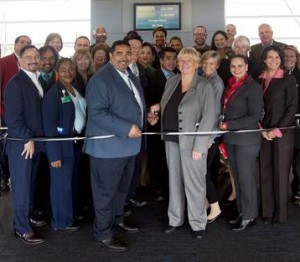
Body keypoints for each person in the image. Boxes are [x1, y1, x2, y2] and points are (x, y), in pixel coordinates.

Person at [83, 40, 145, 252]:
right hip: (107, 149)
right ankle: (103, 233)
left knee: (121, 189)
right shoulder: (100, 79)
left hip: (128, 146)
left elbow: (135, 107)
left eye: (128, 53)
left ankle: (117, 220)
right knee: (105, 193)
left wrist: (148, 119)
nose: (124, 57)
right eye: (119, 53)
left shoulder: (131, 76)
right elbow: (97, 113)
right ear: (110, 55)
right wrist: (127, 128)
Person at [149, 47, 215, 239]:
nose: (184, 63)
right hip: (171, 140)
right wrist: (156, 110)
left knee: (194, 183)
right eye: (181, 60)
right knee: (174, 181)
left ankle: (197, 223)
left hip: (193, 143)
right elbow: (166, 105)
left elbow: (208, 117)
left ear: (196, 64)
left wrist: (200, 146)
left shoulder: (204, 86)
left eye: (188, 60)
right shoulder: (171, 81)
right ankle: (175, 219)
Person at [4, 45, 45, 244]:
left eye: (36, 56)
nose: (33, 60)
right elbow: (13, 119)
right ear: (19, 59)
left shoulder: (38, 80)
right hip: (22, 145)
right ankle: (22, 229)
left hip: (35, 144)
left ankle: (25, 220)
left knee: (30, 186)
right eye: (28, 56)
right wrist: (27, 139)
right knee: (21, 188)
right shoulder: (15, 84)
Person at [219, 55, 263, 231]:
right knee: (237, 178)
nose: (236, 69)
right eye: (233, 66)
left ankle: (250, 215)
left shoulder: (253, 87)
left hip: (246, 140)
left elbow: (254, 116)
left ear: (246, 67)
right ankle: (242, 212)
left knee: (246, 178)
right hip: (231, 138)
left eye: (240, 66)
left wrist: (230, 124)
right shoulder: (230, 85)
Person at [43, 58, 85, 232]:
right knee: (61, 185)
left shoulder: (74, 88)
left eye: (71, 69)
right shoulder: (53, 93)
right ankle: (61, 221)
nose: (68, 73)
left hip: (75, 143)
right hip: (61, 146)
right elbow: (49, 126)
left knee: (71, 183)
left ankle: (70, 214)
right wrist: (54, 156)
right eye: (64, 70)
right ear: (57, 72)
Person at [259, 45, 298, 224]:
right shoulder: (258, 79)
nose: (273, 61)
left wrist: (276, 131)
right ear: (264, 60)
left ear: (281, 60)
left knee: (281, 174)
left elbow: (291, 109)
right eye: (270, 57)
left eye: (277, 57)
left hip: (282, 133)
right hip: (262, 132)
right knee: (265, 172)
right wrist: (261, 129)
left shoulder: (288, 80)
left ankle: (280, 214)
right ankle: (268, 212)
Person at [146, 47, 178, 201]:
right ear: (161, 60)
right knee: (156, 159)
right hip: (156, 125)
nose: (172, 61)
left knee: (168, 161)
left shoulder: (178, 77)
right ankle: (156, 190)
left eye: (174, 58)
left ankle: (167, 189)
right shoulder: (153, 77)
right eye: (168, 58)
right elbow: (149, 101)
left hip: (173, 126)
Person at [0, 35, 31, 192]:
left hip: (26, 117)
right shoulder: (4, 62)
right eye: (22, 42)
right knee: (5, 148)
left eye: (28, 43)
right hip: (6, 114)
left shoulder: (32, 64)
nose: (25, 44)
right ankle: (4, 177)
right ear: (15, 45)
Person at [200, 50, 224, 223]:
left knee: (203, 172)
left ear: (217, 66)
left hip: (211, 136)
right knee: (204, 171)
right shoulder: (204, 79)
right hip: (205, 133)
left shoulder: (216, 83)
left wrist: (209, 139)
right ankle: (207, 202)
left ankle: (215, 207)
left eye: (211, 64)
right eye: (205, 63)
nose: (207, 66)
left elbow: (214, 113)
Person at [282, 45, 300, 204]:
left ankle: (297, 190)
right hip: (282, 124)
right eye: (286, 56)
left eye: (292, 56)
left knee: (298, 160)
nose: (288, 59)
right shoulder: (278, 76)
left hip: (298, 123)